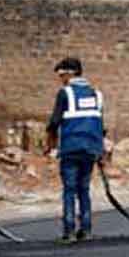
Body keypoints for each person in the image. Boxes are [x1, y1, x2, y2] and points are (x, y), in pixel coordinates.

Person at [44, 58, 107, 243]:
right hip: (91, 149)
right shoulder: (96, 94)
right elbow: (100, 125)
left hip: (71, 148)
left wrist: (50, 145)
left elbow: (54, 123)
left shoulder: (65, 94)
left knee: (70, 190)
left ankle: (69, 231)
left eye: (62, 75)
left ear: (71, 73)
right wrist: (101, 152)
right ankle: (86, 230)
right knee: (84, 189)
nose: (61, 79)